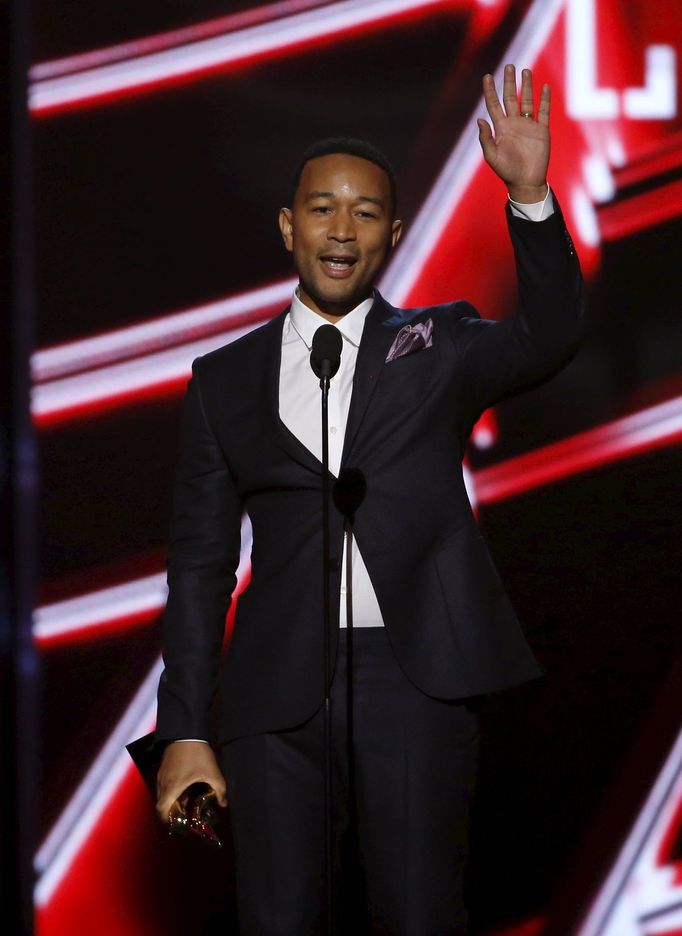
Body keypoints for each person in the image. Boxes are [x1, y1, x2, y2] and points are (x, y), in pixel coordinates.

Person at [153, 65, 583, 934]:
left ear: (390, 234)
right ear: (288, 226)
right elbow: (198, 567)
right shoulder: (222, 380)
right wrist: (183, 730)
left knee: (420, 915)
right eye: (321, 208)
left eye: (364, 212)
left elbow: (551, 335)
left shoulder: (440, 343)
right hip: (274, 691)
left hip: (415, 676)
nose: (341, 228)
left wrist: (531, 196)